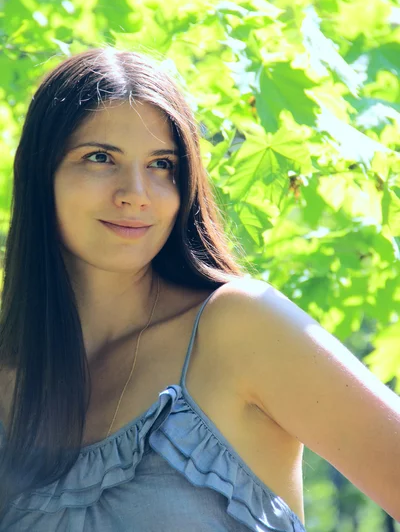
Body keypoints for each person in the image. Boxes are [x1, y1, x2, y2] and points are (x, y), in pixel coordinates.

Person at [0, 48, 398, 531]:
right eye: (100, 157)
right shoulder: (10, 371)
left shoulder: (240, 328)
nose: (135, 193)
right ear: (42, 174)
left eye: (162, 165)